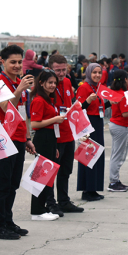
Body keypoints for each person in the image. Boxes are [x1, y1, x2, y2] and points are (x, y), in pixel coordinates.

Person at [0, 45, 36, 240]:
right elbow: (6, 106)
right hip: (2, 137)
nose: (17, 66)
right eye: (13, 62)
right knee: (3, 181)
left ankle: (8, 221)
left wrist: (27, 138)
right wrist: (18, 89)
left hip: (17, 138)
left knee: (13, 183)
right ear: (3, 62)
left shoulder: (20, 83)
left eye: (19, 62)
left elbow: (23, 113)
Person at [48, 54, 83, 215]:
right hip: (54, 135)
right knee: (51, 171)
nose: (61, 73)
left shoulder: (68, 82)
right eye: (58, 70)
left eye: (64, 70)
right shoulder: (47, 86)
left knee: (66, 170)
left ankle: (64, 200)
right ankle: (50, 202)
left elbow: (71, 108)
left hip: (69, 134)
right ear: (50, 69)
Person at [28, 70, 63, 221]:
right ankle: (36, 210)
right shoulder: (38, 100)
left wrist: (54, 146)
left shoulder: (48, 99)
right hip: (42, 138)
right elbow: (35, 124)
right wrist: (55, 119)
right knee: (40, 176)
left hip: (50, 138)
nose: (53, 85)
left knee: (47, 175)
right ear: (41, 83)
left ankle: (42, 208)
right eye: (50, 82)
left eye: (55, 83)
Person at [75, 63, 107, 201]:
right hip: (88, 124)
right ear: (88, 73)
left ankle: (93, 189)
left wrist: (112, 102)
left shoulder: (97, 87)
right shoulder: (84, 88)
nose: (97, 75)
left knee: (97, 156)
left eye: (99, 72)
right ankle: (86, 190)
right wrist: (87, 101)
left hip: (97, 123)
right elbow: (78, 108)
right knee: (88, 157)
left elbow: (98, 105)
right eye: (94, 72)